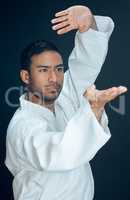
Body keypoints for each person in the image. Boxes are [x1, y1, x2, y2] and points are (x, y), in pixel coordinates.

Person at [5, 5, 127, 200]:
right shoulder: (22, 127)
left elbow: (85, 65)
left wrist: (89, 26)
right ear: (26, 76)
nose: (54, 77)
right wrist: (93, 110)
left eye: (59, 69)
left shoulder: (64, 98)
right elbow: (61, 152)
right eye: (44, 70)